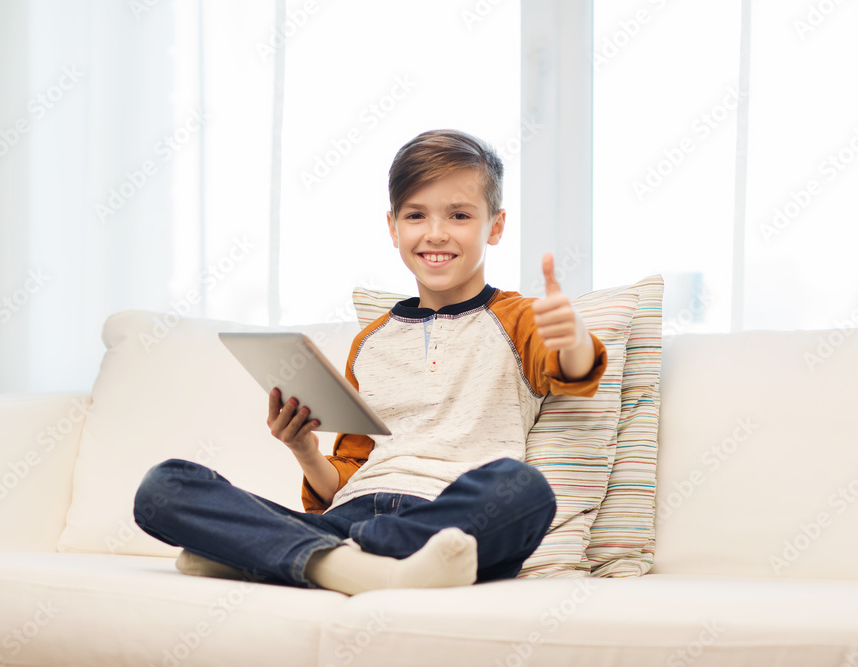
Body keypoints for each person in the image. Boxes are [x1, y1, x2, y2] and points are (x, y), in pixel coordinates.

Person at [133, 129, 607, 595]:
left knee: (524, 488)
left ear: (495, 226)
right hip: (353, 513)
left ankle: (289, 555)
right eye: (416, 215)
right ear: (393, 227)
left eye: (459, 215)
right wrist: (304, 450)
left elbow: (575, 370)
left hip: (448, 519)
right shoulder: (371, 341)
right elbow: (349, 470)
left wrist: (575, 338)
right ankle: (360, 566)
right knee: (165, 488)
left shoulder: (518, 318)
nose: (436, 233)